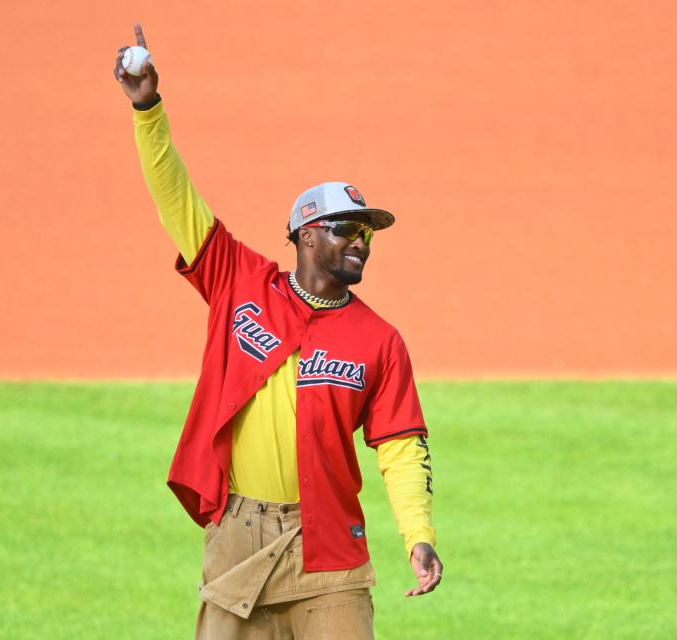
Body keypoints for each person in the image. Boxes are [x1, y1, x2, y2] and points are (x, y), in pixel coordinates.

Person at [114, 24, 442, 639]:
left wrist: (419, 536)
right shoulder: (238, 279)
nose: (360, 244)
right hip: (239, 537)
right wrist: (147, 109)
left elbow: (400, 447)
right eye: (348, 230)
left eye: (367, 234)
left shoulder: (380, 340)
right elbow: (175, 197)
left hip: (331, 550)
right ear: (307, 235)